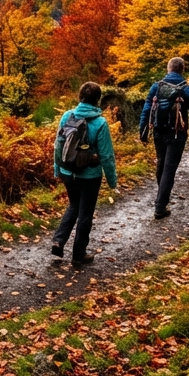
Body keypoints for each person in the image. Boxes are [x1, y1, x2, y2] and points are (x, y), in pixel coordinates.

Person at [50, 82, 117, 268]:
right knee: (85, 213)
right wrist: (112, 181)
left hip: (68, 173)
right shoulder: (100, 122)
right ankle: (78, 255)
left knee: (74, 205)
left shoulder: (67, 116)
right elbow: (106, 155)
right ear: (98, 100)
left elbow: (58, 146)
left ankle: (58, 241)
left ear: (80, 97)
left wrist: (58, 170)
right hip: (89, 176)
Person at [139, 57, 189, 220]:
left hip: (158, 132)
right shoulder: (187, 89)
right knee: (169, 167)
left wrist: (143, 131)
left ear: (169, 69)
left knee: (162, 163)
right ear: (182, 70)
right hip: (177, 133)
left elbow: (147, 109)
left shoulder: (156, 87)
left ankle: (162, 195)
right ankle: (160, 205)